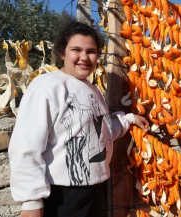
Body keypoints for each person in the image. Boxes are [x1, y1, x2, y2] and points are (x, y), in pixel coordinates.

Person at [8, 21, 149, 217]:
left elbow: (101, 133)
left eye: (91, 51)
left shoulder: (92, 89)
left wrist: (129, 119)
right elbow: (26, 145)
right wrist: (31, 201)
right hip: (62, 195)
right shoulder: (47, 86)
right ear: (62, 53)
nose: (84, 57)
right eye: (76, 50)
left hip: (95, 190)